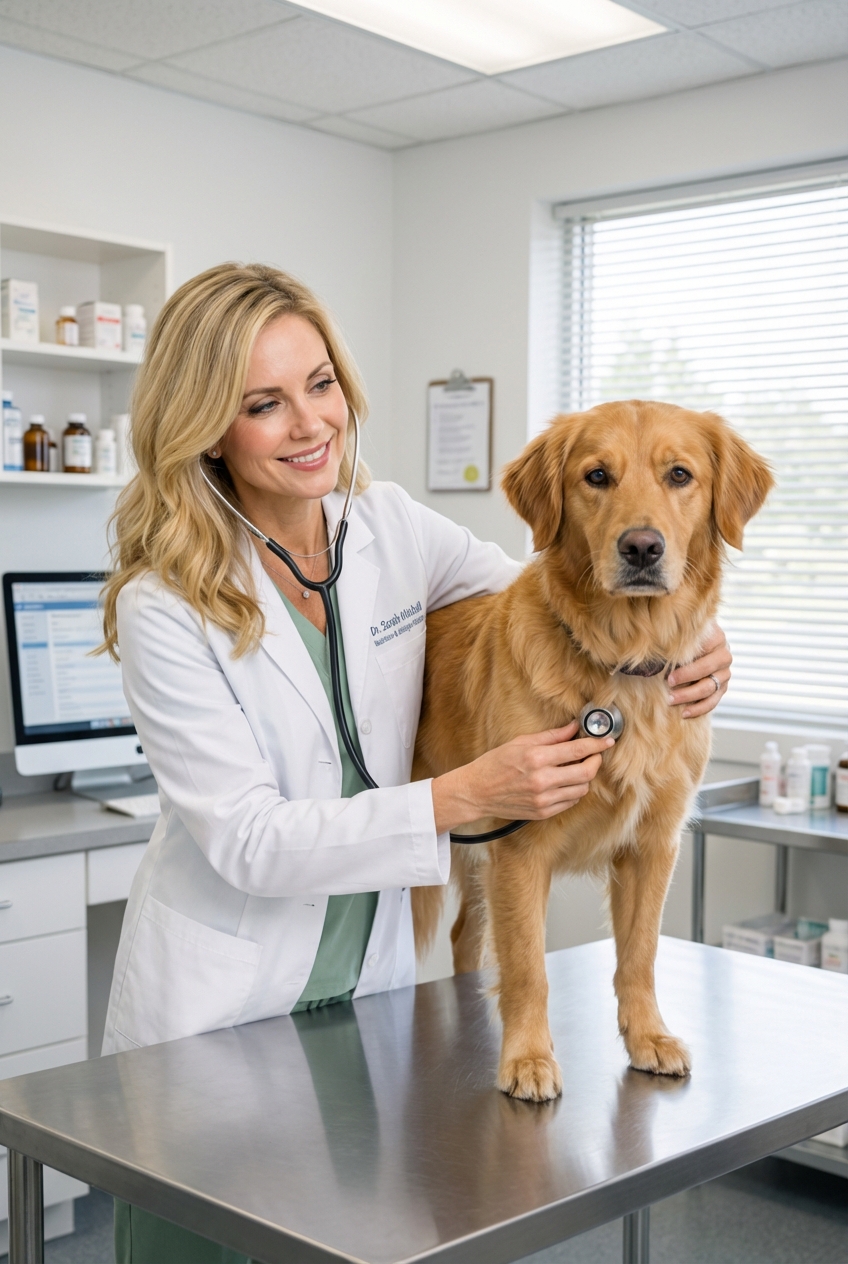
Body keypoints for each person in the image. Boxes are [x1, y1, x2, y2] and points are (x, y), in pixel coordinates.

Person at [100, 263, 732, 1262]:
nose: (310, 423)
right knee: (209, 1244)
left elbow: (545, 592)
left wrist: (690, 648)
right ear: (205, 426)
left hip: (371, 997)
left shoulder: (386, 525)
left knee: (358, 1234)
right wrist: (461, 796)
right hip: (224, 1006)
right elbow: (251, 841)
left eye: (320, 384)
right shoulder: (162, 603)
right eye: (263, 404)